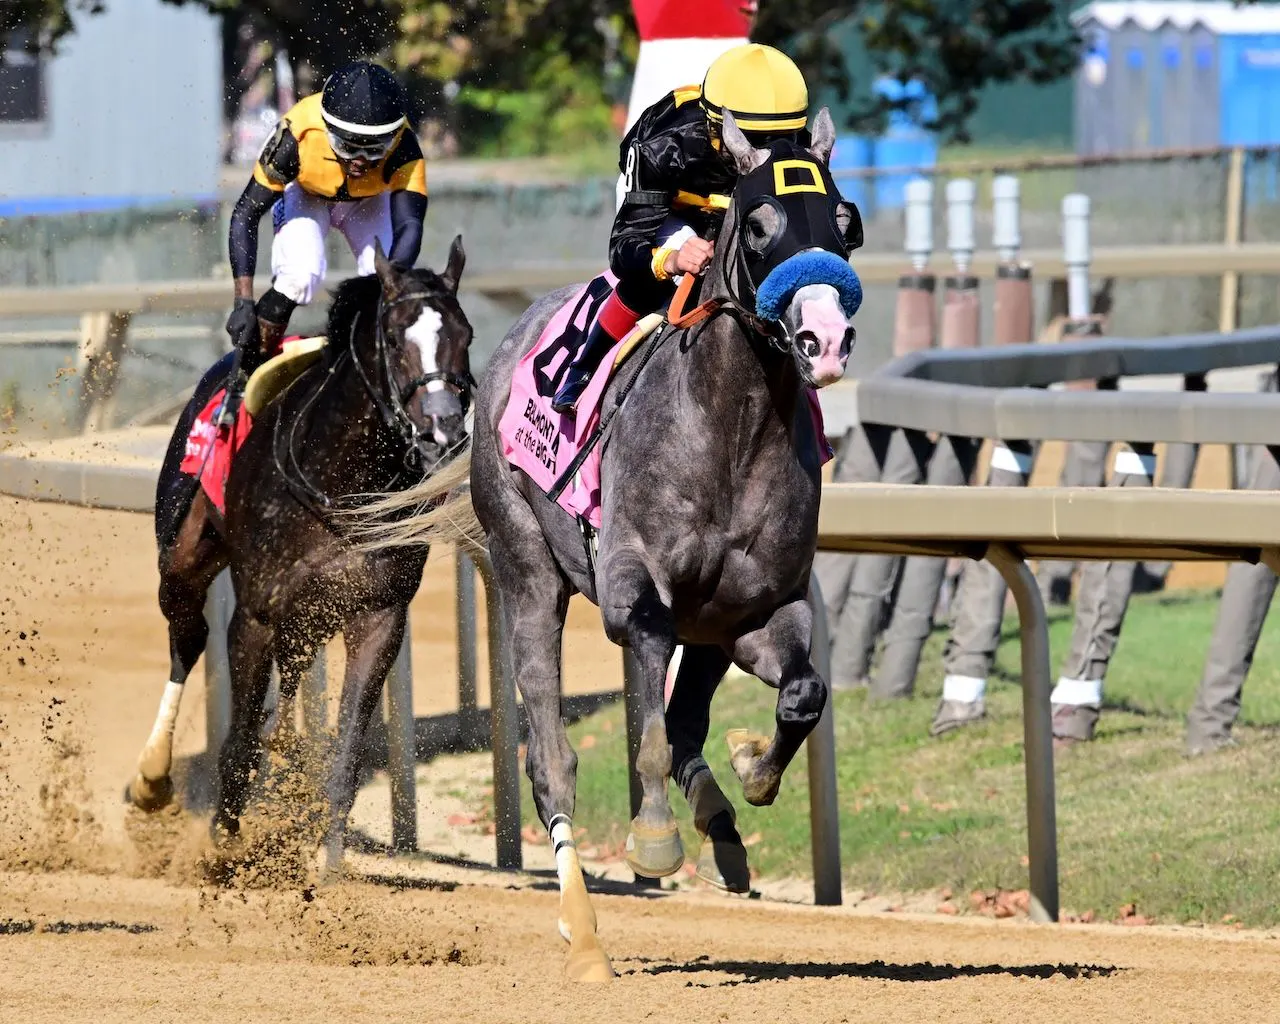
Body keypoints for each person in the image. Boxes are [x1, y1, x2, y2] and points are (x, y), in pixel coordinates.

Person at [551, 42, 811, 414]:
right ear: (715, 126)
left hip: (739, 204)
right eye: (751, 141)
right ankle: (583, 368)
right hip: (675, 201)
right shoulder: (663, 147)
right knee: (660, 275)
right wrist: (671, 260)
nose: (763, 154)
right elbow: (625, 248)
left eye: (776, 141)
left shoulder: (794, 142)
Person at [221, 60, 428, 411]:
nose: (361, 160)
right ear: (328, 130)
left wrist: (391, 283)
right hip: (307, 194)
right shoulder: (297, 134)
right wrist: (243, 302)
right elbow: (246, 213)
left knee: (387, 282)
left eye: (374, 149)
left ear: (393, 138)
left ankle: (382, 375)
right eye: (349, 147)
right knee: (300, 276)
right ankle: (246, 375)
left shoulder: (406, 146)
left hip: (367, 201)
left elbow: (410, 226)